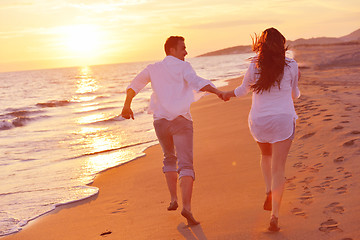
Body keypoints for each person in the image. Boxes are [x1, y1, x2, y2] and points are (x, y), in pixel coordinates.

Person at [121, 36, 225, 225]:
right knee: (186, 165)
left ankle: (173, 199)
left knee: (169, 157)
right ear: (171, 50)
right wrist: (218, 92)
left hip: (160, 122)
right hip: (181, 120)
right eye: (183, 48)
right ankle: (187, 207)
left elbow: (134, 85)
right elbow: (197, 82)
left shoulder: (153, 68)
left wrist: (127, 106)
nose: (186, 52)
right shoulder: (184, 67)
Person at [223, 27, 301, 231]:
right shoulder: (292, 65)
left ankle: (268, 189)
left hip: (259, 120)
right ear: (282, 45)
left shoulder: (254, 65)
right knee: (279, 168)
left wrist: (226, 94)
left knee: (266, 156)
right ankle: (274, 216)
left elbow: (241, 90)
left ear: (262, 45)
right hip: (283, 119)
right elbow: (295, 94)